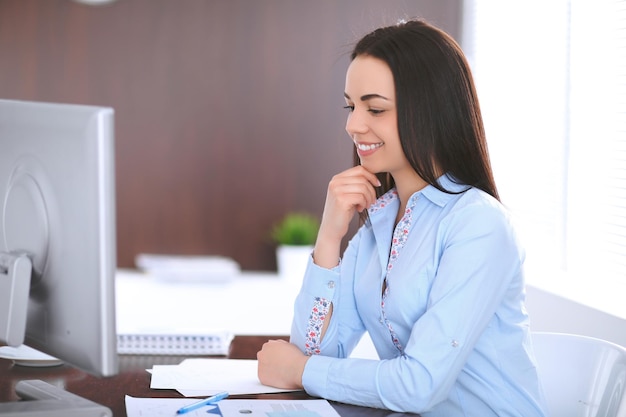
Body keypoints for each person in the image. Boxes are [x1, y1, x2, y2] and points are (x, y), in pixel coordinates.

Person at [257, 18, 548, 416]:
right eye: (351, 106)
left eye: (374, 108)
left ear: (431, 110)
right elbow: (312, 352)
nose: (353, 124)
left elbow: (417, 386)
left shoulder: (478, 226)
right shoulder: (379, 223)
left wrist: (302, 370)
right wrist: (328, 238)